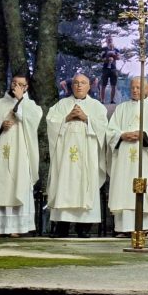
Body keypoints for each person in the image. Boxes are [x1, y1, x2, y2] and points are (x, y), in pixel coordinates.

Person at [0, 74, 43, 237]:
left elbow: (33, 121)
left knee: (18, 185)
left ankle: (16, 228)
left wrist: (21, 101)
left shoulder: (31, 106)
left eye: (21, 84)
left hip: (20, 153)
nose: (16, 86)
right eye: (14, 83)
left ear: (26, 87)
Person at [45, 73, 108, 238]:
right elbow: (51, 123)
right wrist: (67, 117)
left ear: (89, 86)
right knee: (64, 185)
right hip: (65, 156)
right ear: (71, 86)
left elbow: (103, 128)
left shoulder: (97, 106)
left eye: (83, 83)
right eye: (76, 83)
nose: (79, 86)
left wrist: (86, 118)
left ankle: (83, 227)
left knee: (86, 186)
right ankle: (62, 227)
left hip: (88, 155)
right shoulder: (61, 105)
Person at [106, 77, 148, 236]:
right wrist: (122, 135)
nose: (135, 90)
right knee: (125, 190)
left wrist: (145, 136)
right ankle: (126, 228)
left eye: (139, 87)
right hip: (125, 159)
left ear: (147, 89)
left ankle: (145, 228)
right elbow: (110, 132)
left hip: (146, 157)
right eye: (133, 87)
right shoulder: (121, 109)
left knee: (145, 190)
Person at [99, 36, 120, 103]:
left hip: (113, 69)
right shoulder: (104, 49)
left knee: (113, 85)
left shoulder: (116, 49)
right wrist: (107, 59)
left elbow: (119, 58)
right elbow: (101, 59)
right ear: (106, 41)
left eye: (111, 40)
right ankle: (102, 100)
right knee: (103, 85)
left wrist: (114, 56)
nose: (110, 41)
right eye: (108, 40)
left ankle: (112, 100)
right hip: (105, 69)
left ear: (112, 40)